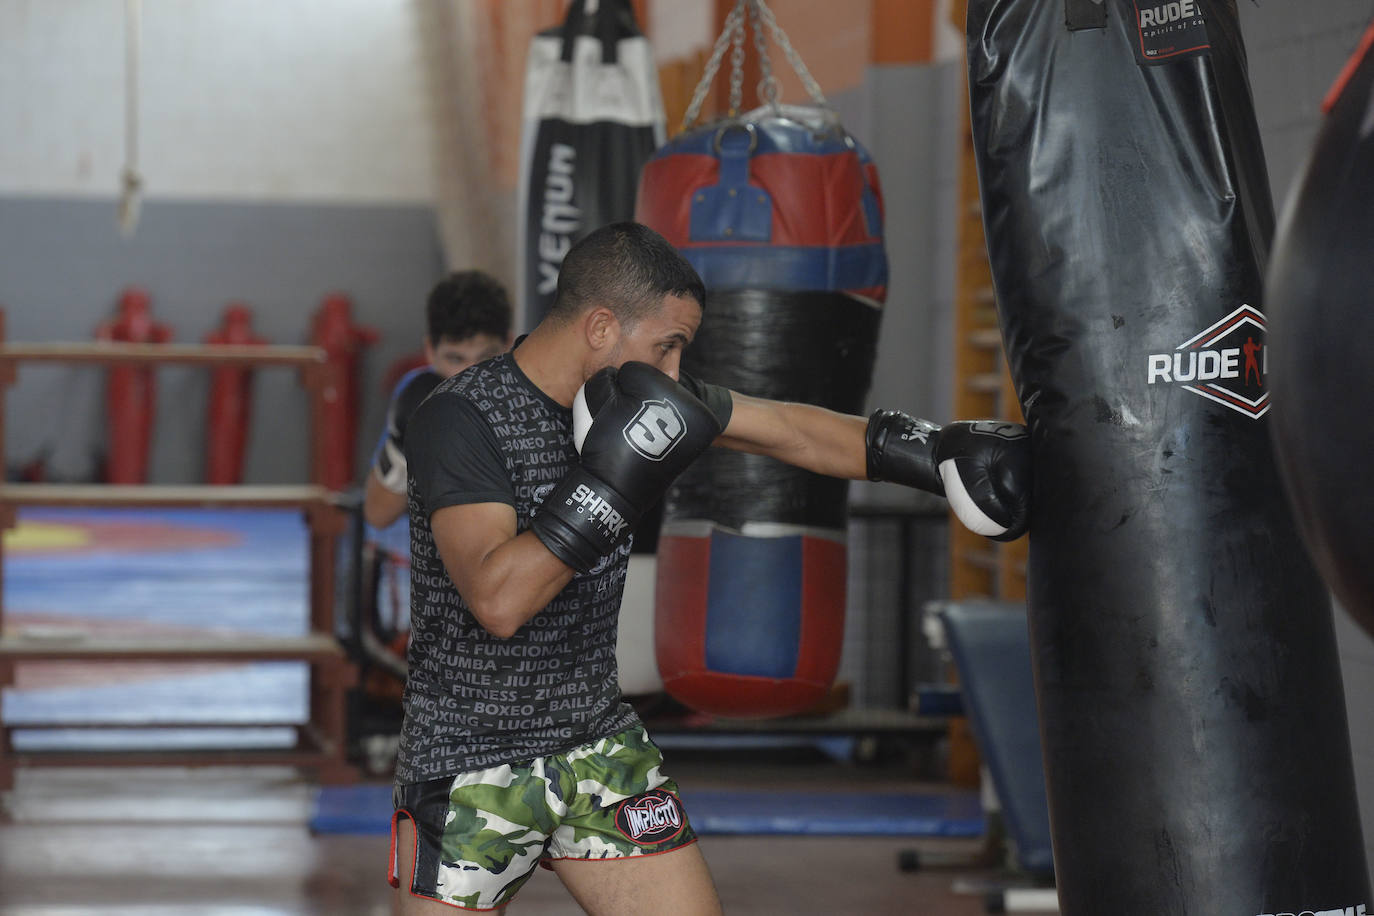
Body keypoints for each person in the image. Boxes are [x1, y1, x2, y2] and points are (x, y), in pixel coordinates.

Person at [389, 222, 1032, 914]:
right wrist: (609, 482)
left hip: (596, 745)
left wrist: (932, 454)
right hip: (467, 762)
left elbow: (789, 428)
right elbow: (499, 601)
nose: (671, 373)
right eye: (666, 346)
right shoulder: (462, 417)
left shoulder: (636, 403)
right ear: (602, 325)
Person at [364, 270, 514, 530]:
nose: (470, 375)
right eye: (456, 359)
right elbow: (377, 514)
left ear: (508, 345)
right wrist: (405, 444)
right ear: (430, 351)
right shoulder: (419, 397)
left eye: (485, 357)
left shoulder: (529, 397)